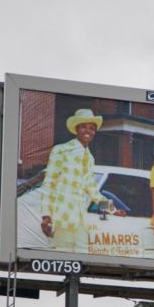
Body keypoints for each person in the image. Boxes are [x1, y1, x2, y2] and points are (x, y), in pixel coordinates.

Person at [40, 108, 122, 252]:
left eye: (92, 128)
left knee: (83, 259)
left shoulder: (90, 158)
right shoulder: (61, 150)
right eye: (83, 126)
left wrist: (113, 210)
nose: (88, 131)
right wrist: (46, 216)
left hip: (81, 221)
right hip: (62, 219)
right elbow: (49, 184)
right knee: (64, 259)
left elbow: (92, 191)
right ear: (76, 129)